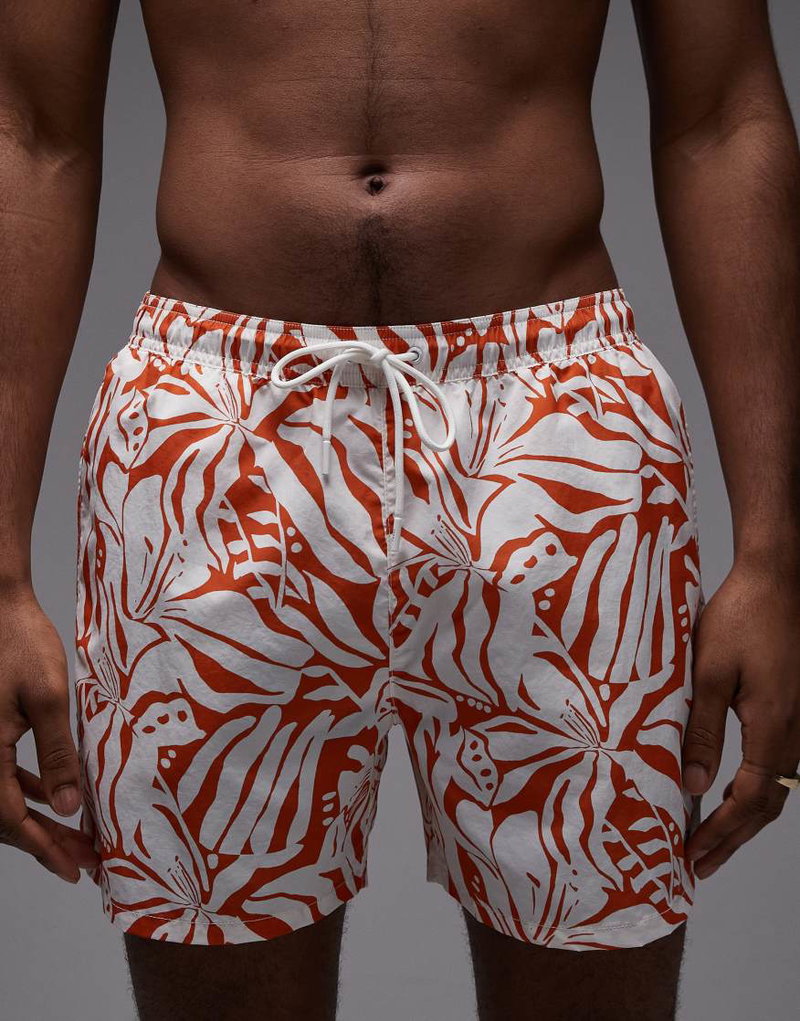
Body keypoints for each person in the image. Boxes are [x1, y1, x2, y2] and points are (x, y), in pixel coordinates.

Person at [1, 1, 799, 1018]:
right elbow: (29, 129)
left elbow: (722, 116)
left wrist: (774, 558)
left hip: (559, 422)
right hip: (210, 426)